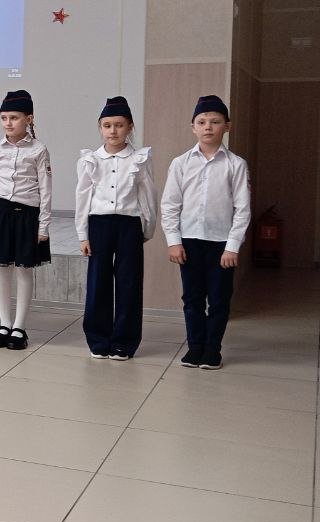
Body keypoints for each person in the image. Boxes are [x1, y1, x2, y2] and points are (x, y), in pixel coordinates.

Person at [161, 95, 251, 371]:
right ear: (193, 127)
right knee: (192, 298)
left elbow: (242, 209)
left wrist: (232, 246)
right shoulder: (181, 163)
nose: (208, 127)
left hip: (221, 244)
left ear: (227, 126)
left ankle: (213, 350)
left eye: (215, 121)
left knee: (219, 299)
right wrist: (173, 241)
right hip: (189, 242)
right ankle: (195, 347)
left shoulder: (236, 164)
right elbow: (170, 205)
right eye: (201, 122)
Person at [76, 96, 157, 360]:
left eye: (119, 125)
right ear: (100, 127)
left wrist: (147, 228)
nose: (113, 131)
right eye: (107, 125)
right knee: (98, 282)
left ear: (130, 127)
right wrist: (83, 234)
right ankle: (98, 338)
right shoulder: (91, 159)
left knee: (129, 283)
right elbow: (83, 197)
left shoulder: (139, 158)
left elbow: (148, 195)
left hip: (129, 225)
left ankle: (124, 341)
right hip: (99, 224)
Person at [0, 90, 52, 351]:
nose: (8, 123)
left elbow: (46, 190)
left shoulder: (38, 149)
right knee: (2, 268)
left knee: (23, 269)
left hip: (27, 215)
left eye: (14, 117)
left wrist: (43, 225)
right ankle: (4, 323)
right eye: (4, 118)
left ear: (28, 118)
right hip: (0, 213)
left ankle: (19, 326)